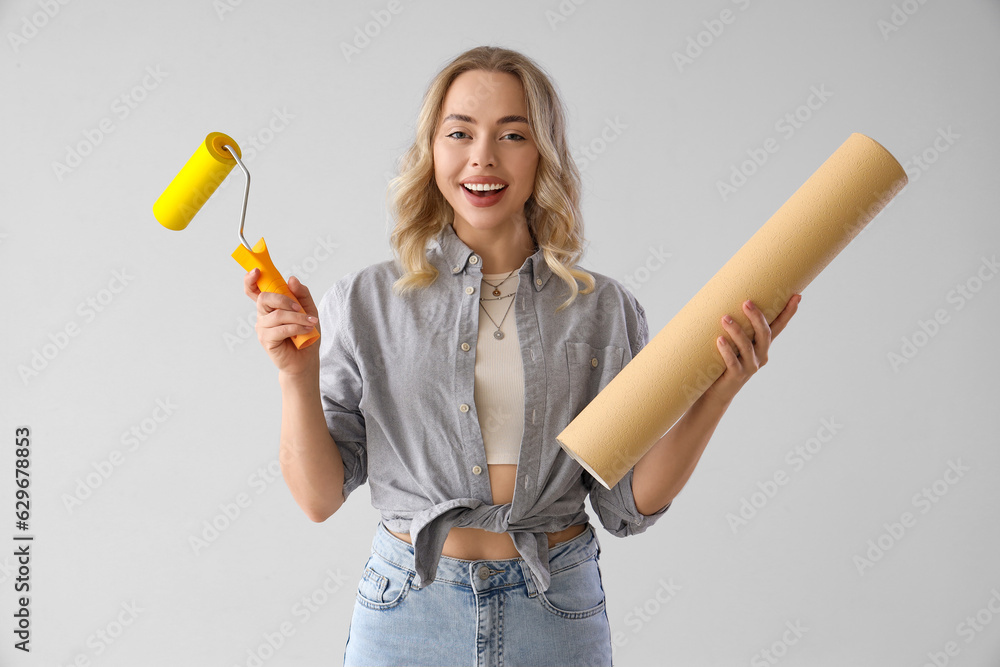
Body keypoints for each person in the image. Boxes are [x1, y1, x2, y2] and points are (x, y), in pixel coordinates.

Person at [242, 45, 800, 667]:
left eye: (512, 134)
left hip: (555, 607)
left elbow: (625, 506)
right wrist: (296, 376)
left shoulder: (603, 308)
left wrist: (719, 389)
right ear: (432, 150)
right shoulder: (367, 301)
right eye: (460, 132)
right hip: (408, 610)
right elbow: (317, 498)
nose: (482, 156)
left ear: (544, 156)